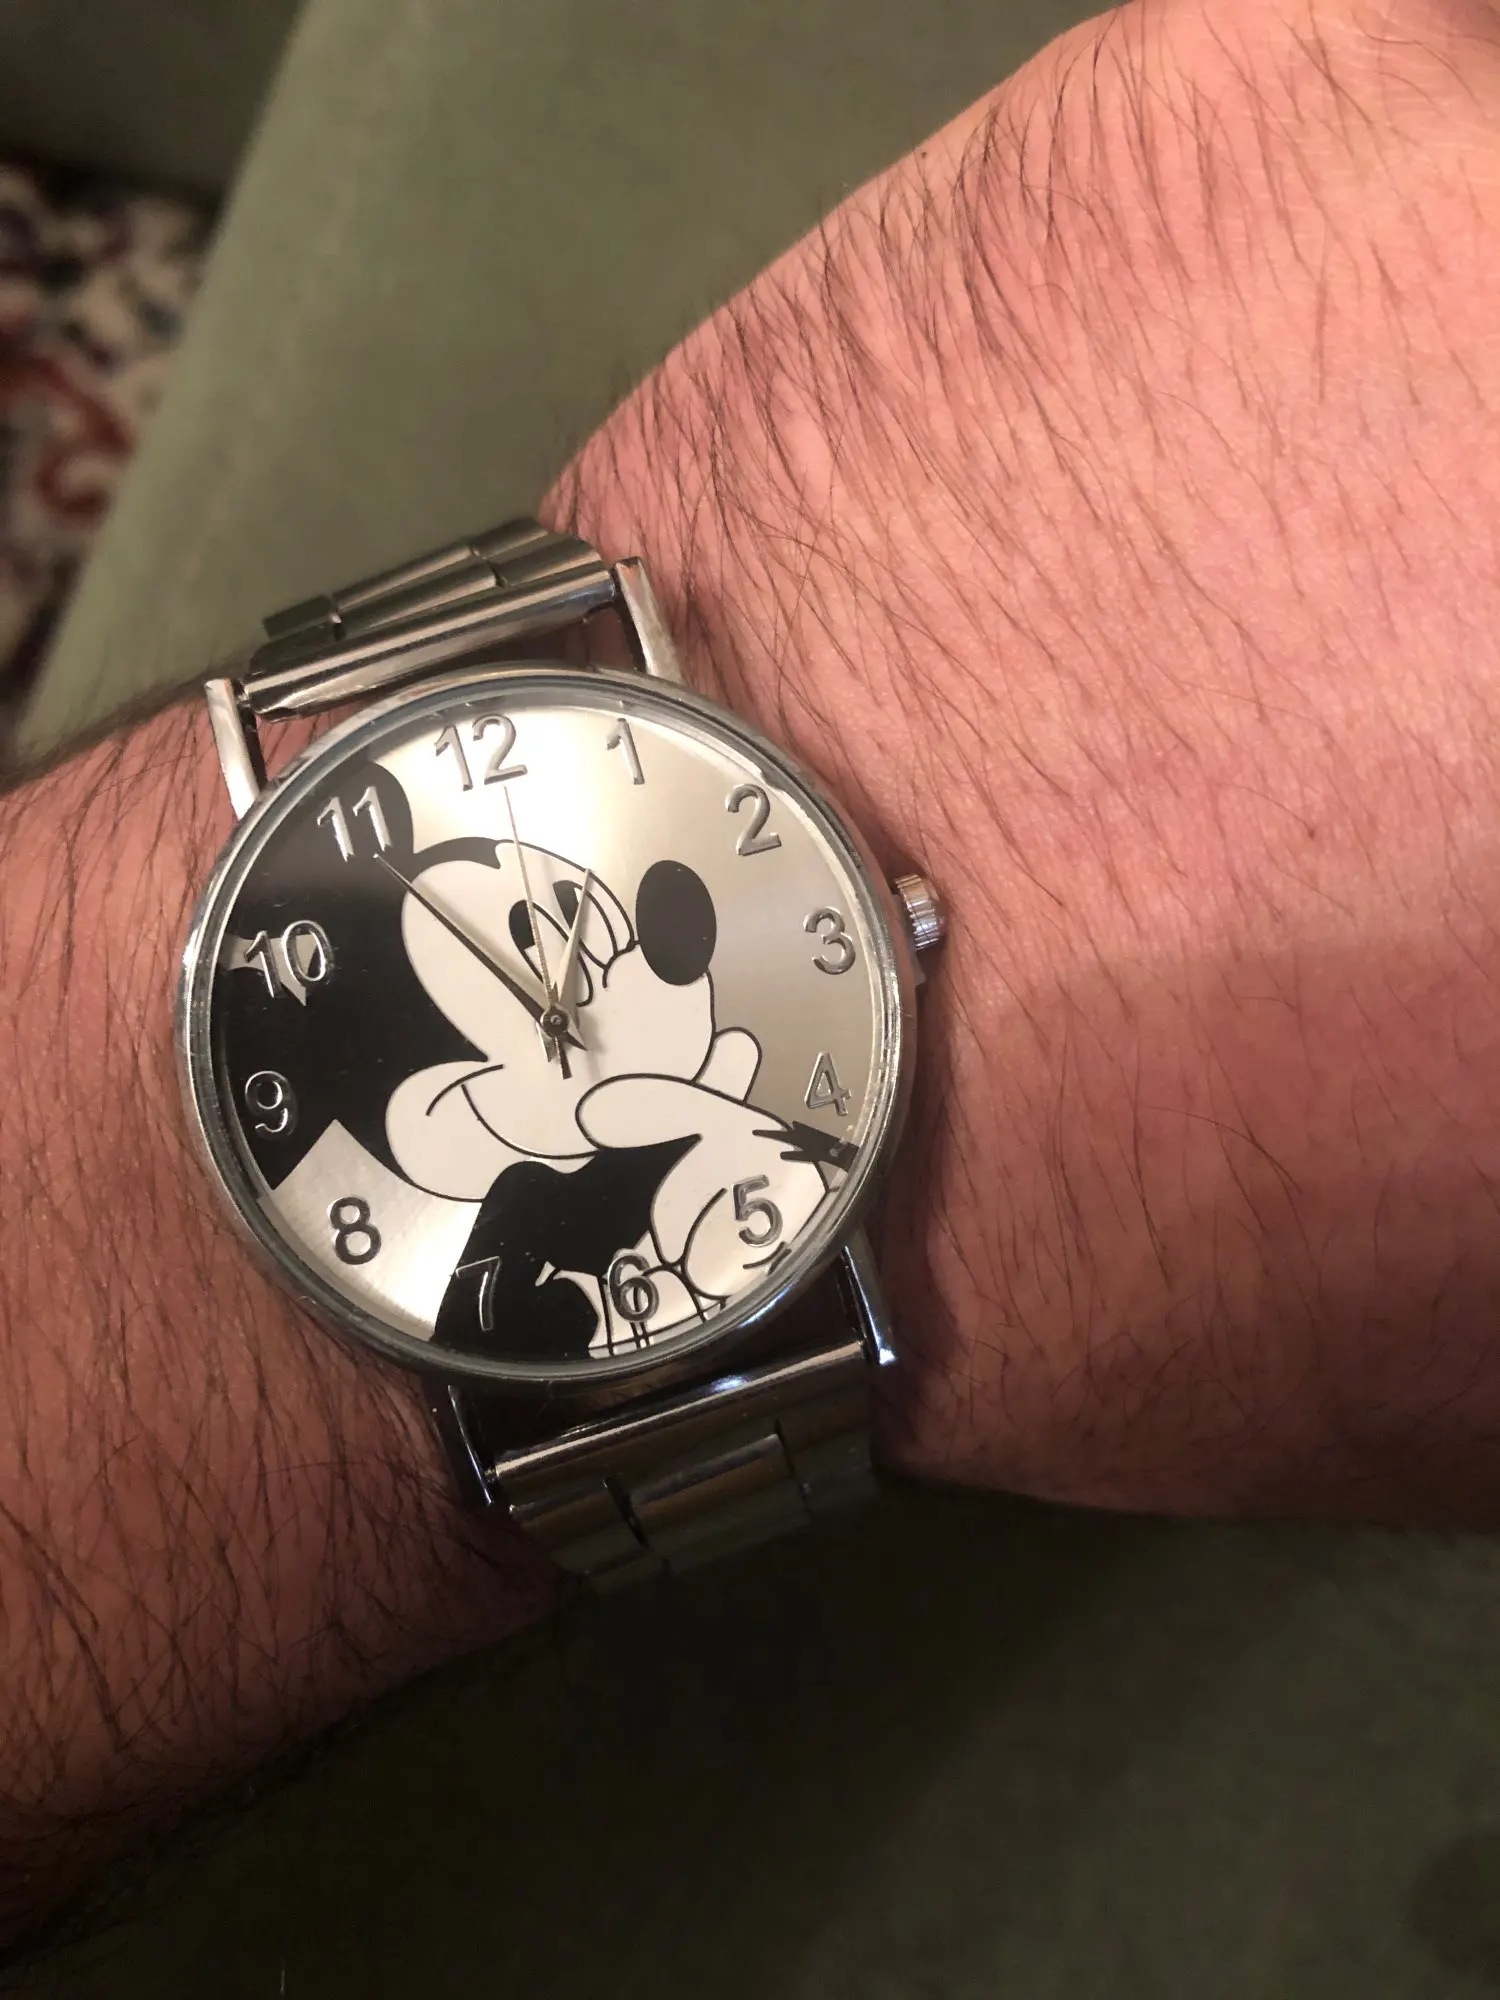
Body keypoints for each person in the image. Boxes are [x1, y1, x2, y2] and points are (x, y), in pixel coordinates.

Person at [3, 0, 1498, 1945]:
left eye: (556, 923)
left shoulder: (622, 1052)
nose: (563, 957)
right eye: (517, 957)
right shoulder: (494, 1144)